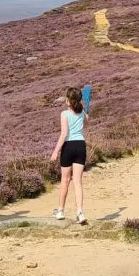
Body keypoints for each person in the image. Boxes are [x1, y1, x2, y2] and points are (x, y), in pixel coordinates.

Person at [50, 85, 91, 224]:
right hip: (81, 146)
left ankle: (60, 210)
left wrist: (55, 151)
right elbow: (87, 121)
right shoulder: (83, 112)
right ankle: (80, 212)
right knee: (78, 182)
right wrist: (85, 113)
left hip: (68, 147)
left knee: (65, 181)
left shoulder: (64, 114)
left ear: (69, 100)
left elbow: (64, 134)